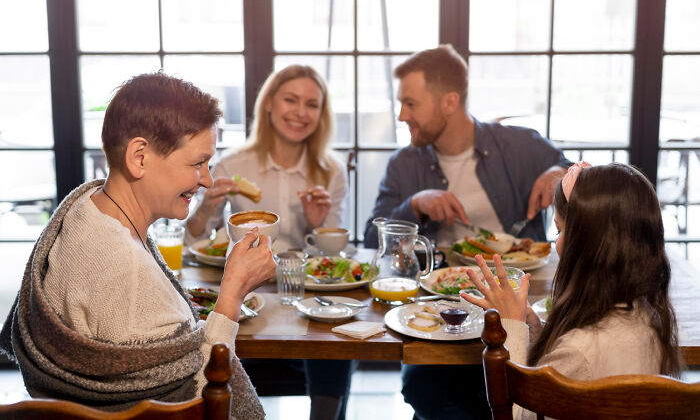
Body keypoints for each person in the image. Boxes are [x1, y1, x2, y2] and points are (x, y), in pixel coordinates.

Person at [0, 72, 276, 417]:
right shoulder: (128, 273)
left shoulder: (85, 210)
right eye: (197, 163)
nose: (206, 179)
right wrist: (232, 294)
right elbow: (198, 400)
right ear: (139, 157)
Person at [363, 44, 572, 420]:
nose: (401, 115)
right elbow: (369, 239)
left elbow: (579, 176)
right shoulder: (404, 164)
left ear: (449, 102)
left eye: (410, 104)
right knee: (431, 395)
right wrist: (415, 205)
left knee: (515, 388)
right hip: (439, 307)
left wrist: (560, 175)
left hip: (520, 302)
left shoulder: (520, 144)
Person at [185, 64, 353, 420]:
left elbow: (334, 261)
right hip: (247, 295)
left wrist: (318, 226)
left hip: (304, 295)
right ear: (269, 105)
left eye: (312, 104)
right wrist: (206, 206)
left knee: (336, 342)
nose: (300, 112)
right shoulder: (232, 163)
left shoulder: (331, 171)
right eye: (290, 100)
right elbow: (196, 240)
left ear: (321, 114)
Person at [462, 162, 682, 419]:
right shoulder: (649, 319)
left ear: (585, 245)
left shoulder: (579, 350)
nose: (556, 242)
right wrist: (532, 327)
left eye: (559, 229)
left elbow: (521, 415)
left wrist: (511, 325)